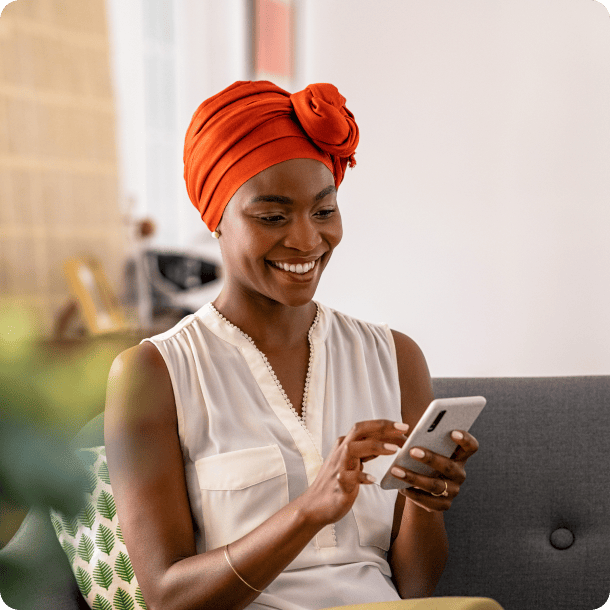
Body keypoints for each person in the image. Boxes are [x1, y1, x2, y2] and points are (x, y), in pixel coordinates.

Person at [104, 81, 479, 610]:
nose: (306, 241)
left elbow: (415, 587)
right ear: (215, 219)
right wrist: (308, 511)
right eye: (273, 217)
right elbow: (167, 597)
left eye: (323, 212)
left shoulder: (395, 358)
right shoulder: (154, 373)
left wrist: (426, 504)